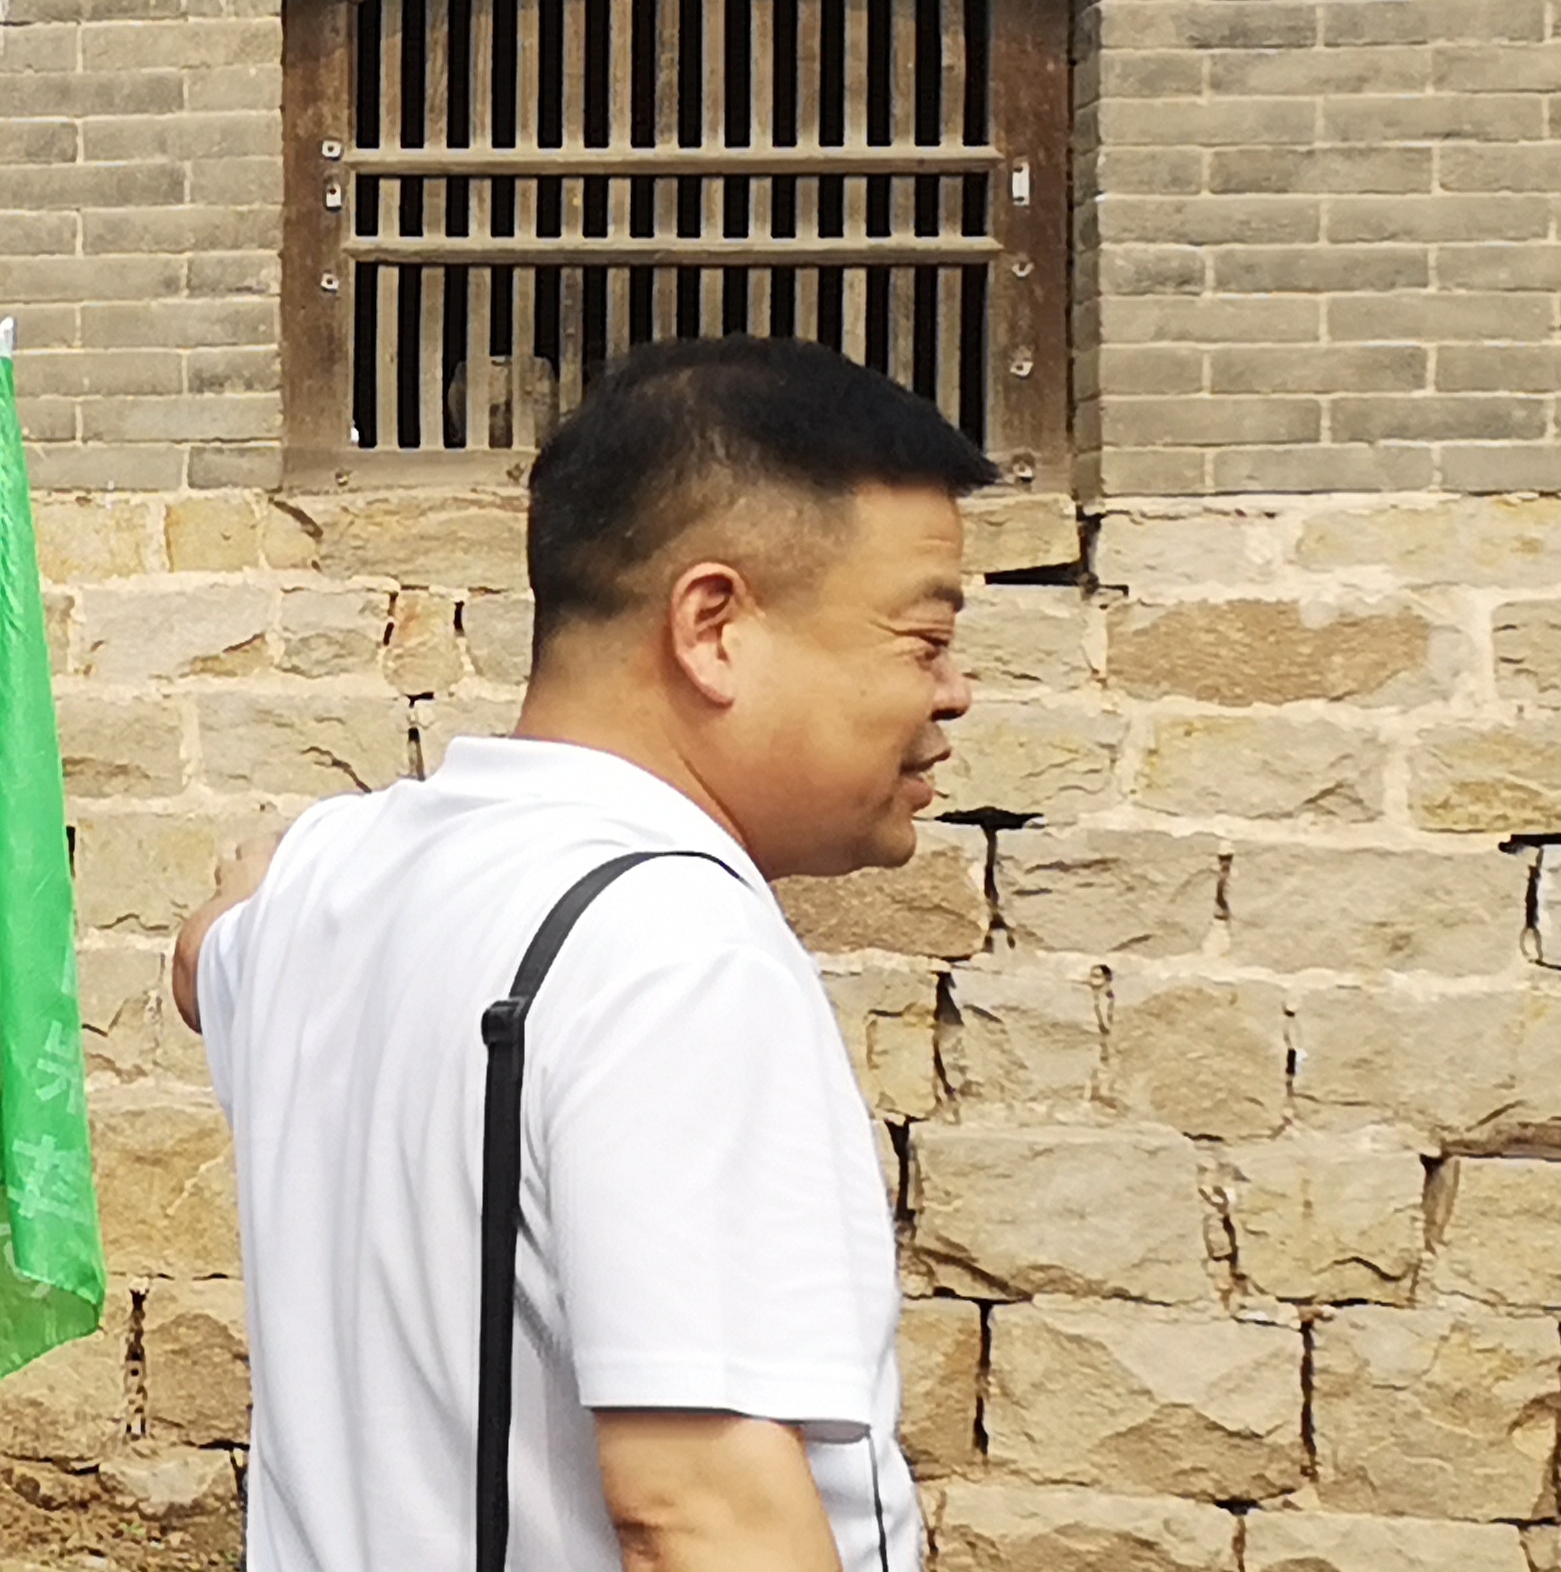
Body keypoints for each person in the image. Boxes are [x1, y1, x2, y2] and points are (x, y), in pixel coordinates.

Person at [177, 340, 983, 1572]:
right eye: (921, 642)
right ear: (710, 625)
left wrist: (246, 889)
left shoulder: (333, 876)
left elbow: (203, 958)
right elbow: (696, 1508)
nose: (954, 694)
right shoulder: (674, 951)